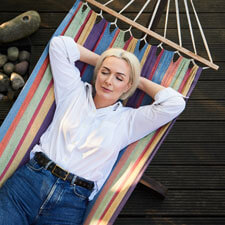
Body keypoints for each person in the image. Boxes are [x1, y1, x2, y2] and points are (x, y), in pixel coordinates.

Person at [0, 36, 186, 225]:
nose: (108, 81)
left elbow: (175, 104)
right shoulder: (73, 91)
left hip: (70, 202)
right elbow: (59, 45)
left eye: (119, 78)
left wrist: (137, 80)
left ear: (128, 86)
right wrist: (107, 61)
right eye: (104, 73)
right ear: (97, 74)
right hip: (29, 184)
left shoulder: (129, 121)